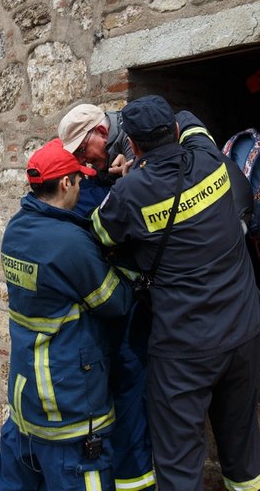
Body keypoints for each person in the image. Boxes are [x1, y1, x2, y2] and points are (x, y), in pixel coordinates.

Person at [90, 95, 260, 491]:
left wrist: (127, 174)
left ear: (131, 145)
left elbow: (101, 232)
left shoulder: (130, 192)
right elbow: (190, 118)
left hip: (184, 348)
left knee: (179, 464)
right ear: (174, 132)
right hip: (242, 331)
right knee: (244, 454)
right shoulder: (209, 159)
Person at [0, 138, 133, 491]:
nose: (83, 186)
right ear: (66, 183)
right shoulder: (69, 242)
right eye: (80, 179)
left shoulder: (16, 229)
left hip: (27, 404)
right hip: (69, 408)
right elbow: (115, 302)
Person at [59, 103, 155, 491]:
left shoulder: (137, 143)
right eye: (78, 157)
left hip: (134, 312)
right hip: (122, 316)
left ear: (101, 132)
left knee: (129, 405)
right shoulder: (105, 167)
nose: (84, 161)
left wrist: (127, 183)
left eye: (85, 150)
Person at [59, 103, 135, 213]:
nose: (81, 160)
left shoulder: (132, 135)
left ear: (102, 131)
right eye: (76, 154)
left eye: (81, 149)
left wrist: (130, 177)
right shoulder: (100, 158)